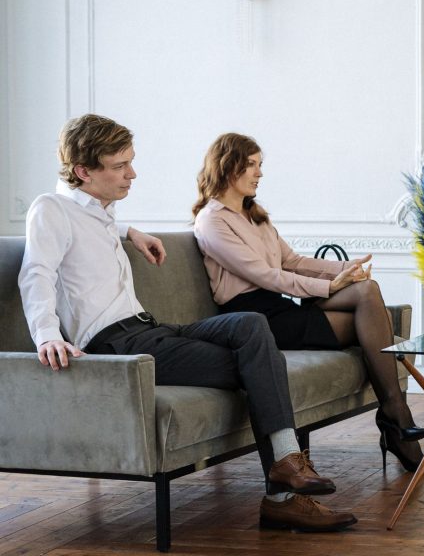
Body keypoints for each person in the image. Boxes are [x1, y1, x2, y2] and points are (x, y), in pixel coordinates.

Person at [18, 114, 356, 532]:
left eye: (131, 161)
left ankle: (286, 471)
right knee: (261, 368)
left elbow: (89, 225)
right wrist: (47, 334)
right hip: (117, 346)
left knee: (250, 324)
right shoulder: (50, 209)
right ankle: (284, 493)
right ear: (83, 171)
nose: (132, 173)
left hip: (149, 328)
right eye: (120, 165)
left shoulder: (100, 214)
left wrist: (130, 231)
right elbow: (36, 272)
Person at [190, 132, 424, 474]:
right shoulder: (212, 220)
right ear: (227, 166)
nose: (259, 173)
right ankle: (397, 421)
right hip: (252, 319)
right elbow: (265, 276)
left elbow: (292, 261)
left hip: (279, 308)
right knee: (370, 313)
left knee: (367, 289)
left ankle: (395, 417)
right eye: (251, 165)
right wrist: (326, 287)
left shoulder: (256, 217)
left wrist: (345, 269)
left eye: (259, 165)